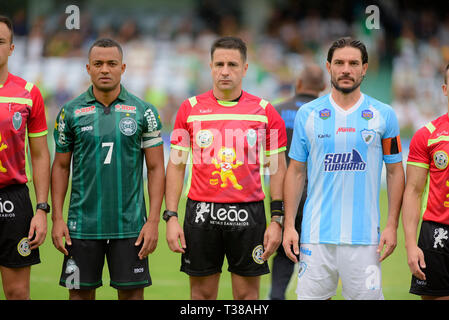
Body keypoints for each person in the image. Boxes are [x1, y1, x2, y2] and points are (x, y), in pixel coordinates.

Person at [165, 36, 287, 300]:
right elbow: (175, 166)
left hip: (248, 214)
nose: (224, 71)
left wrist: (277, 220)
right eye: (219, 63)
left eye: (232, 64)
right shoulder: (190, 109)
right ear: (210, 66)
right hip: (200, 213)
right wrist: (171, 216)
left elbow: (278, 169)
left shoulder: (266, 112)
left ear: (245, 68)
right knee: (201, 296)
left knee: (246, 297)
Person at [283, 37, 405, 300]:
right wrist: (289, 225)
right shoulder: (308, 113)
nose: (346, 69)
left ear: (365, 68)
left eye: (353, 63)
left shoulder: (384, 114)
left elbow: (395, 171)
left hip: (365, 240)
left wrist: (392, 225)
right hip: (315, 237)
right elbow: (295, 171)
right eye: (339, 62)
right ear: (328, 67)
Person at [51, 38, 165, 300]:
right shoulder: (70, 112)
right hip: (80, 228)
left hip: (131, 228)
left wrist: (153, 221)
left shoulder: (144, 111)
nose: (105, 69)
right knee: (79, 295)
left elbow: (157, 168)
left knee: (132, 297)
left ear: (123, 67)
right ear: (88, 68)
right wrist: (57, 219)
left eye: (112, 63)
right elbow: (60, 166)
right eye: (98, 64)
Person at [0, 15, 50, 300]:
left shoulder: (29, 94)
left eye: (0, 41)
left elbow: (41, 155)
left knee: (17, 292)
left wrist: (42, 210)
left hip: (13, 201)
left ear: (11, 48)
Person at [269, 63, 325, 300]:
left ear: (298, 84)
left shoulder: (276, 111)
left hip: (281, 192)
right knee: (315, 252)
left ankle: (276, 296)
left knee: (284, 249)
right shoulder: (325, 114)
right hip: (317, 194)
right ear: (323, 87)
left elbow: (266, 157)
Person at [402, 63, 449, 300]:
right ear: (445, 89)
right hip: (437, 233)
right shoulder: (428, 135)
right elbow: (412, 191)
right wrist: (411, 245)